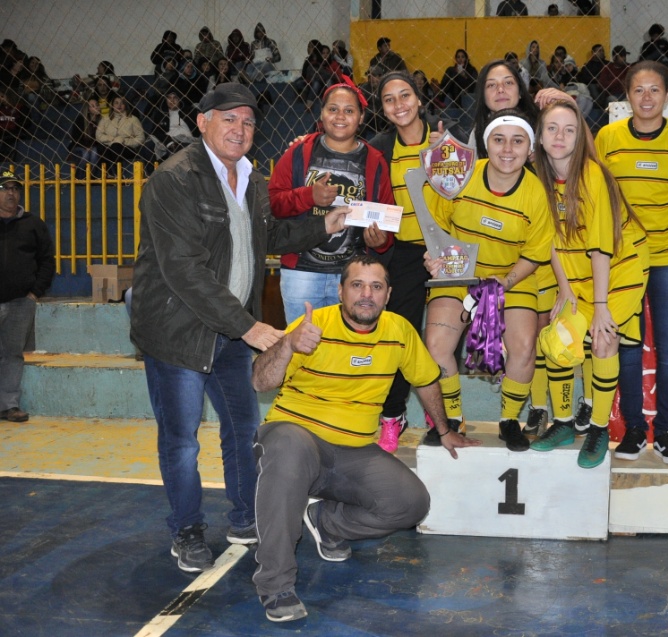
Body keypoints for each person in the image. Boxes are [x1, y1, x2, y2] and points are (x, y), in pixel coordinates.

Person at [130, 83, 350, 574]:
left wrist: (325, 225)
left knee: (243, 430)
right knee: (183, 440)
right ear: (202, 122)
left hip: (230, 332)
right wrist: (250, 327)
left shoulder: (250, 179)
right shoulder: (174, 180)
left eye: (248, 122)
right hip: (178, 333)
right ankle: (186, 528)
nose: (240, 129)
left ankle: (244, 516)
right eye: (228, 118)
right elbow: (183, 269)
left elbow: (266, 234)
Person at [250, 254, 479, 621]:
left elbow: (425, 380)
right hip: (295, 435)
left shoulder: (399, 331)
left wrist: (446, 430)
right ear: (341, 292)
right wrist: (288, 344)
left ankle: (324, 521)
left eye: (376, 287)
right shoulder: (314, 325)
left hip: (353, 450)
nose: (366, 294)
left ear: (388, 295)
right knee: (289, 452)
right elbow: (260, 381)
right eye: (357, 285)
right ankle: (275, 585)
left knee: (411, 503)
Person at [423, 110, 552, 452]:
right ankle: (452, 419)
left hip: (513, 277)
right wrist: (435, 256)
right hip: (461, 274)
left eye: (517, 140)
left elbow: (536, 252)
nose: (507, 149)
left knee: (524, 348)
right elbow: (436, 228)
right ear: (485, 144)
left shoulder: (537, 194)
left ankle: (510, 420)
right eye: (499, 139)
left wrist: (504, 283)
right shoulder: (461, 178)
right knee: (436, 345)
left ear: (530, 148)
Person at [530, 100, 649, 469]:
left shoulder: (593, 175)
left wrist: (599, 307)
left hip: (619, 268)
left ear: (581, 136)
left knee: (603, 338)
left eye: (570, 129)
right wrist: (565, 290)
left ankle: (598, 428)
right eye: (552, 128)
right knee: (559, 339)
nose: (560, 136)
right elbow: (546, 240)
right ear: (540, 136)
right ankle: (564, 423)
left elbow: (602, 247)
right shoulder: (536, 176)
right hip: (573, 271)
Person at [594, 61, 668, 465]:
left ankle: (667, 431)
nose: (647, 98)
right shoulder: (608, 137)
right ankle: (634, 429)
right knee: (629, 348)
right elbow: (597, 195)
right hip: (624, 260)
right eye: (639, 90)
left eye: (655, 90)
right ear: (627, 96)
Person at [369, 71, 462, 452]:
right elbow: (373, 208)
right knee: (399, 338)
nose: (399, 104)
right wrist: (371, 237)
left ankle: (443, 413)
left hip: (448, 251)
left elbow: (467, 194)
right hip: (404, 255)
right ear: (383, 109)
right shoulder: (378, 148)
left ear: (420, 100)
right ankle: (393, 416)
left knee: (441, 342)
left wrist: (449, 154)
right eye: (389, 99)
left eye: (405, 95)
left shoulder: (447, 137)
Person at [268, 82, 394, 325]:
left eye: (349, 111)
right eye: (333, 109)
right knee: (301, 351)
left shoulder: (375, 161)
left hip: (352, 276)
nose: (340, 116)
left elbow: (386, 218)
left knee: (344, 353)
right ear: (322, 113)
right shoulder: (298, 153)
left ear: (361, 117)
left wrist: (381, 240)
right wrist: (308, 196)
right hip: (301, 273)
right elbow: (273, 204)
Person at [0, 170, 54, 423]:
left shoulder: (33, 223)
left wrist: (34, 293)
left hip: (21, 302)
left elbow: (46, 261)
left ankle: (9, 406)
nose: (11, 193)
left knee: (12, 354)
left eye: (15, 188)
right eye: (5, 188)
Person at [96, 92, 147, 166]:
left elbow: (141, 138)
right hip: (109, 145)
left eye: (122, 103)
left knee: (116, 147)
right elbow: (98, 135)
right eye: (116, 103)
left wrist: (123, 141)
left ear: (125, 105)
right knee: (101, 148)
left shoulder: (133, 119)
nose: (119, 105)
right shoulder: (105, 119)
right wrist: (112, 139)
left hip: (127, 148)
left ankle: (118, 174)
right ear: (112, 105)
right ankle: (106, 173)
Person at [69, 97, 104, 166]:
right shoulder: (80, 120)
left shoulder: (102, 121)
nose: (96, 107)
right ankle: (80, 176)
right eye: (92, 106)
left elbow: (100, 139)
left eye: (97, 105)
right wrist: (86, 147)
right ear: (88, 110)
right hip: (79, 146)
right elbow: (75, 138)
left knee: (94, 152)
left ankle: (92, 176)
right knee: (85, 154)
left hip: (93, 147)